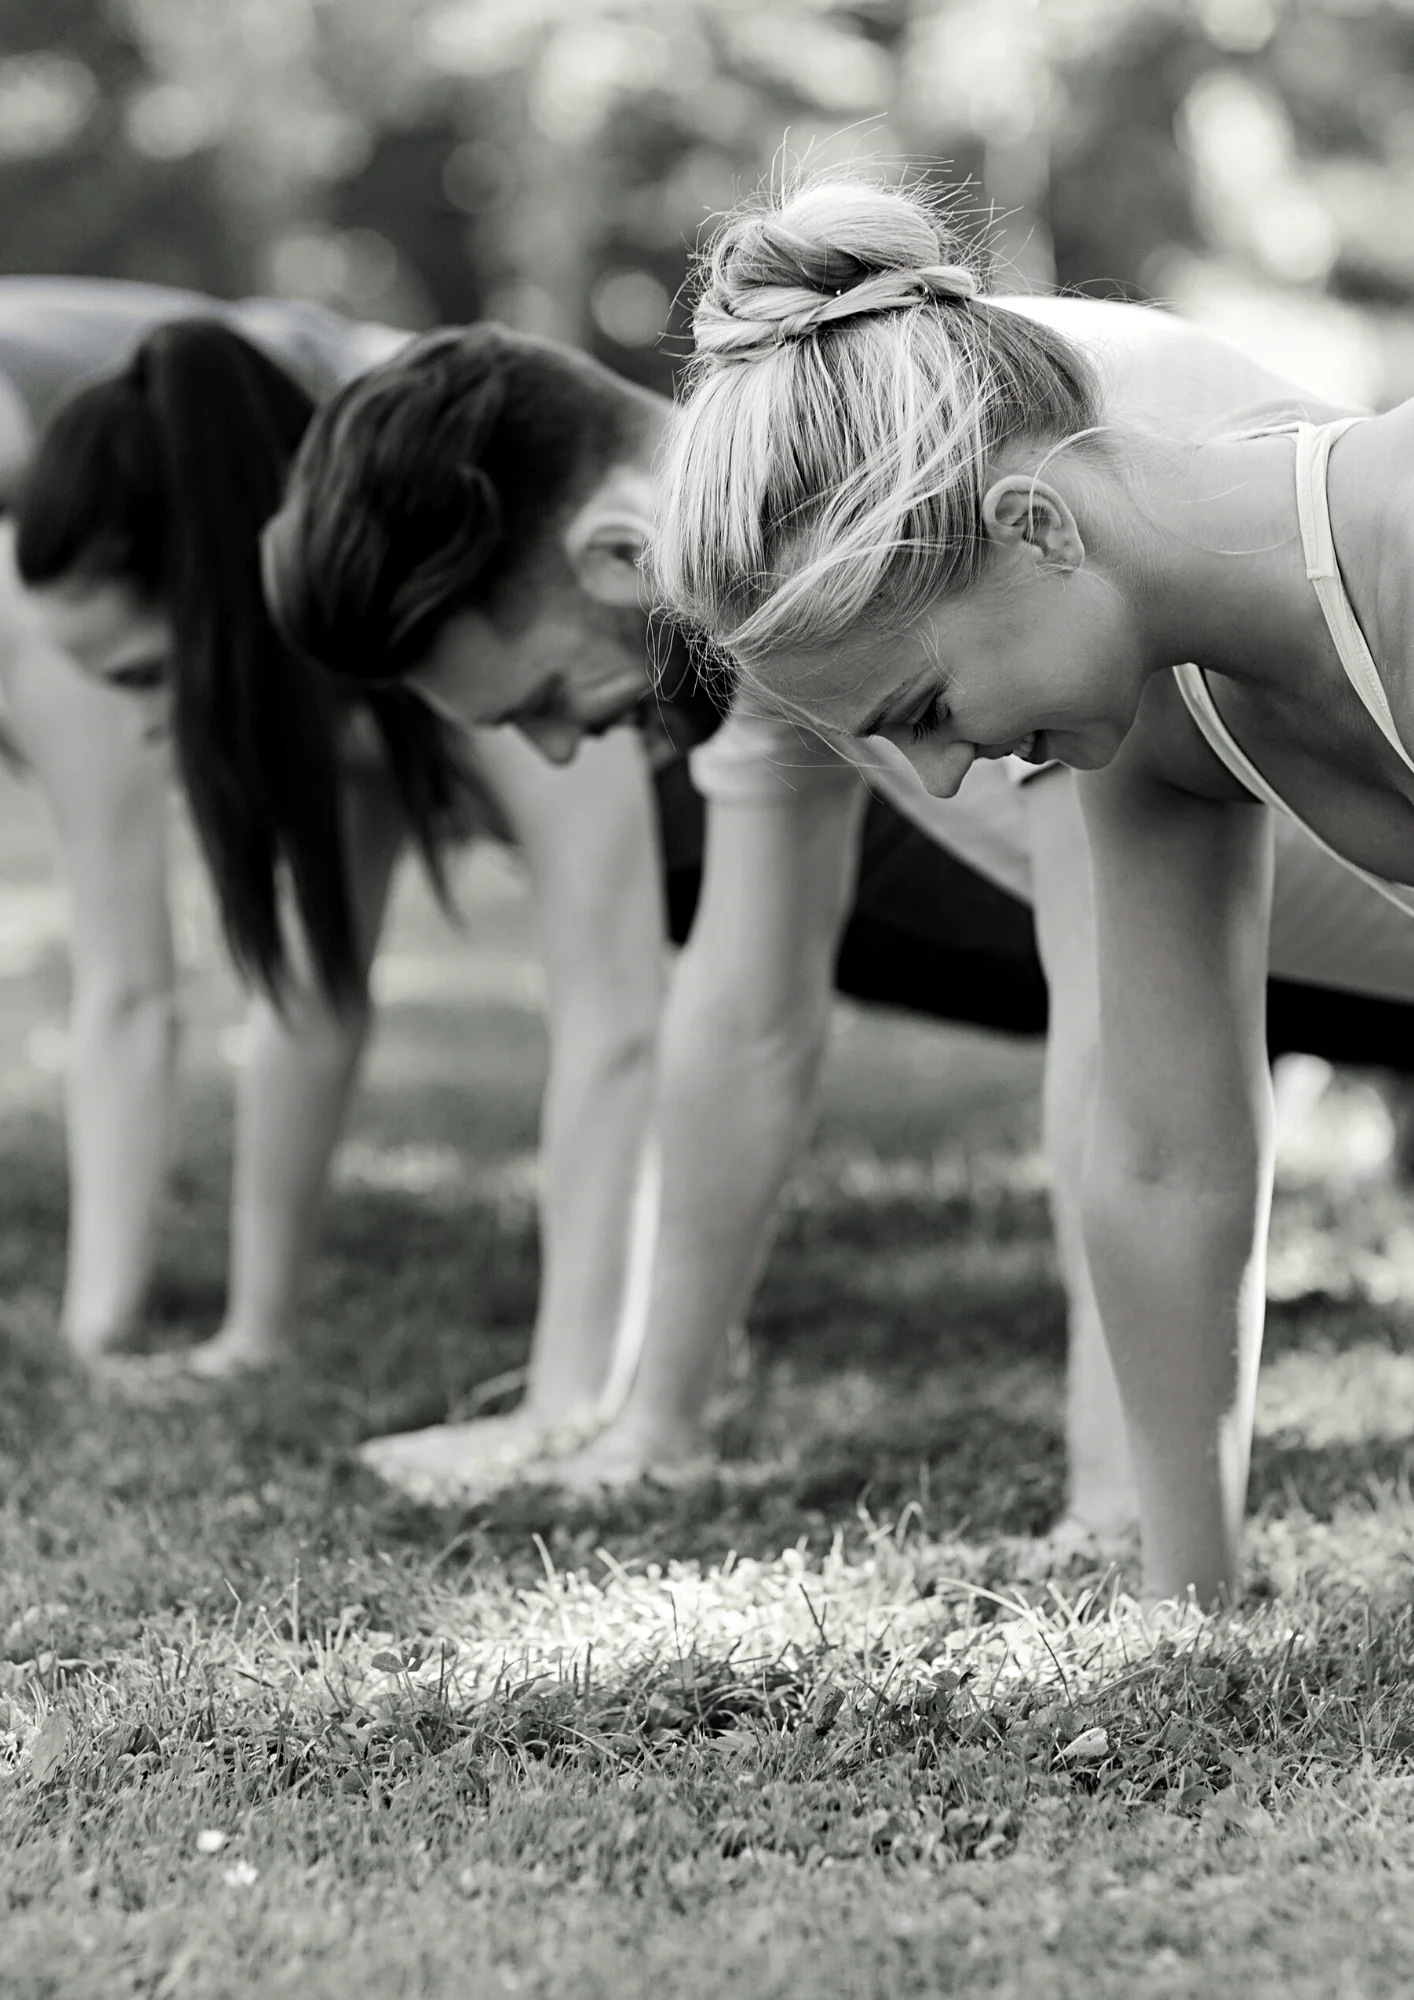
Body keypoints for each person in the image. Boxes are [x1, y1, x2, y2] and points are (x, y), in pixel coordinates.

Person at [266, 306, 1414, 1574]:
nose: (553, 750)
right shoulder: (803, 599)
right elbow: (749, 1018)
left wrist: (1114, 1504)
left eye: (540, 698)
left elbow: (1111, 1047)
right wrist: (649, 1424)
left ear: (611, 557)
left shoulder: (957, 481)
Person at [648, 173, 1414, 1606]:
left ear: (1037, 528)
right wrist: (1192, 1606)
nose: (939, 783)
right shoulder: (1172, 732)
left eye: (922, 707)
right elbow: (1162, 1159)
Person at [0, 283, 666, 1420]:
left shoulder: (484, 640)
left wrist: (564, 1409)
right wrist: (253, 1335)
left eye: (150, 677)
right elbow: (310, 1004)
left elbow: (618, 1031)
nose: (148, 728)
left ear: (222, 613)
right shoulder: (358, 716)